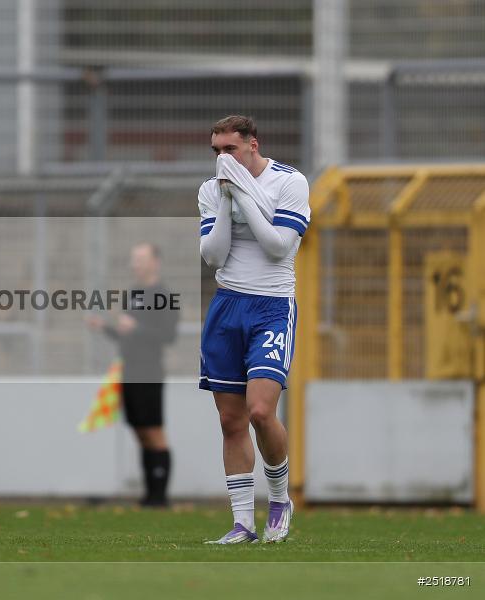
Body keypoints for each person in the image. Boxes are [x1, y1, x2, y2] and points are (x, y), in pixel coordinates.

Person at [198, 115, 310, 543]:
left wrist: (242, 193)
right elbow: (214, 257)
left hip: (272, 307)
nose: (222, 159)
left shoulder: (288, 182)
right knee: (231, 420)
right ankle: (243, 522)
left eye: (229, 150)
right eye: (216, 152)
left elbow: (278, 246)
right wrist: (227, 201)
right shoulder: (211, 191)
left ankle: (280, 500)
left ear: (252, 146)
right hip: (227, 306)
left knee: (261, 412)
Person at [88, 243, 179, 507]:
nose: (135, 264)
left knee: (154, 431)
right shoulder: (132, 293)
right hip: (129, 372)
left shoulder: (164, 295)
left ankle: (160, 497)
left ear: (155, 262)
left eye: (140, 259)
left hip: (149, 371)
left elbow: (168, 336)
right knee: (139, 431)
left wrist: (137, 328)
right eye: (133, 259)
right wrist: (105, 328)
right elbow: (124, 335)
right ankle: (149, 495)